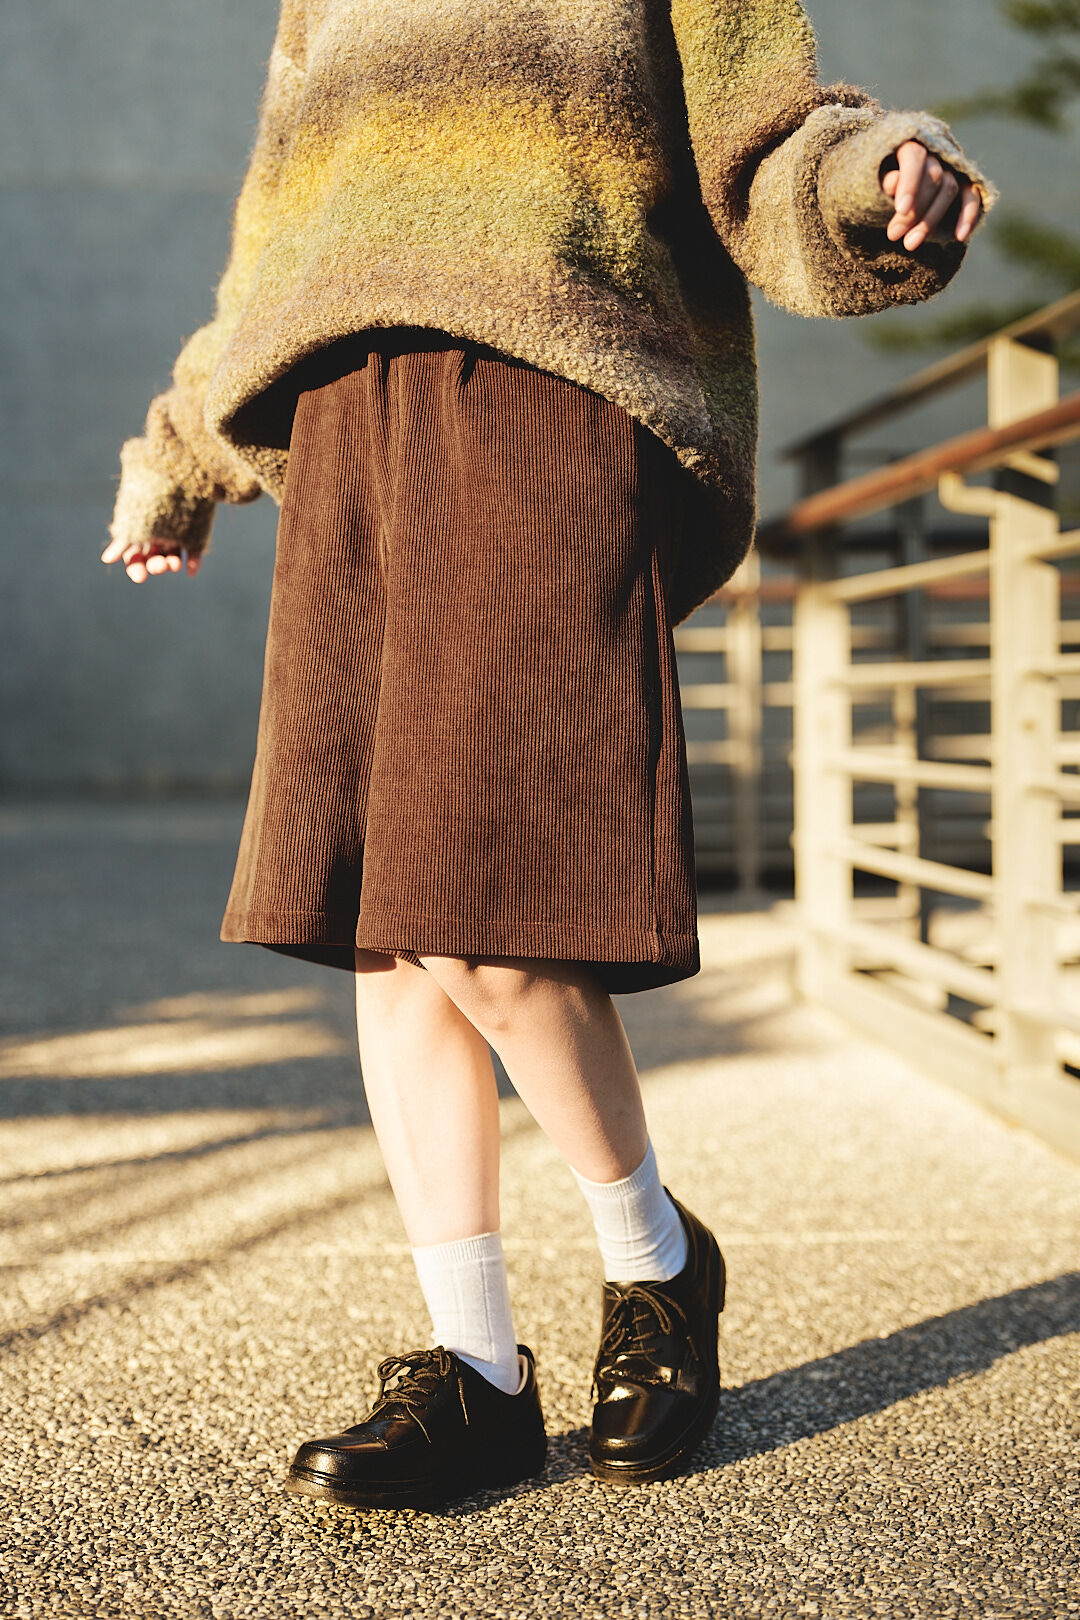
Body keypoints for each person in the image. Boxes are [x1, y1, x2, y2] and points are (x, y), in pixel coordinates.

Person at [102, 0, 991, 1510]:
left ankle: (657, 1261)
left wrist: (880, 173)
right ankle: (479, 1372)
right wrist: (181, 452)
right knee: (389, 933)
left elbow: (765, 138)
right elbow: (289, 230)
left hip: (554, 393)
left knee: (487, 919)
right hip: (351, 419)